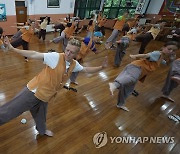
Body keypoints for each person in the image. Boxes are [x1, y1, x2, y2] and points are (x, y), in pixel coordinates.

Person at [0, 37, 107, 137]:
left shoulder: (74, 64)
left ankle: (42, 131)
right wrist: (13, 49)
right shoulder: (55, 57)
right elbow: (34, 54)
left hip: (45, 96)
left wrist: (101, 67)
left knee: (41, 116)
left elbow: (86, 69)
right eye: (67, 50)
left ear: (76, 53)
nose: (68, 53)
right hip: (33, 92)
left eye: (71, 52)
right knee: (9, 111)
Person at [108, 41, 179, 112]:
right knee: (131, 78)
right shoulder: (157, 53)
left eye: (174, 50)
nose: (171, 51)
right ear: (163, 47)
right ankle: (114, 85)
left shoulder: (161, 57)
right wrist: (136, 56)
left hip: (140, 71)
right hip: (136, 67)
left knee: (128, 90)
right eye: (169, 49)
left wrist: (171, 60)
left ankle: (120, 104)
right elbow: (146, 55)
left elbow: (166, 64)